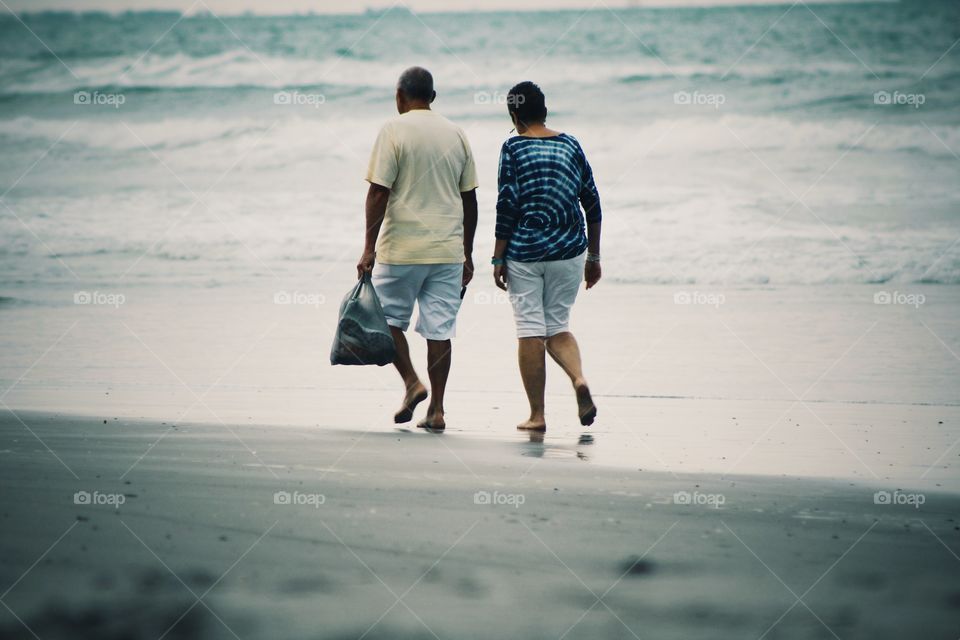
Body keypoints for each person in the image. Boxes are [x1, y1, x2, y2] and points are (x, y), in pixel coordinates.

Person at [357, 66, 478, 431]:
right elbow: (469, 198)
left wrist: (368, 247)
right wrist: (467, 253)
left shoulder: (392, 130)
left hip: (402, 249)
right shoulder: (456, 133)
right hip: (446, 251)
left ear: (399, 95)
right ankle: (437, 410)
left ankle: (412, 382)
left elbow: (379, 191)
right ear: (433, 98)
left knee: (386, 320)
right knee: (439, 330)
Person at [492, 81, 602, 432]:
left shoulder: (513, 147)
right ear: (545, 111)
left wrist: (497, 258)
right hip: (570, 249)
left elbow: (507, 204)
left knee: (529, 329)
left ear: (514, 115)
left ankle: (537, 416)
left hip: (525, 252)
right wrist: (594, 257)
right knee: (558, 326)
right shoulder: (571, 144)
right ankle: (579, 379)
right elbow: (593, 203)